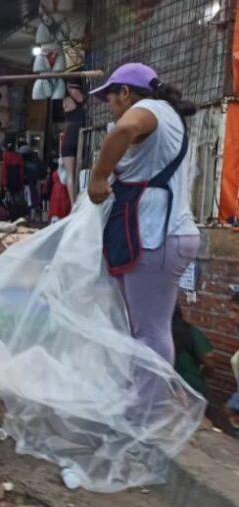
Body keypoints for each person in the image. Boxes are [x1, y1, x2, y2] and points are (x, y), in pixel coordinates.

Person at [88, 63, 201, 365]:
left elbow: (125, 128)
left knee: (150, 333)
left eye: (110, 98)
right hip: (159, 234)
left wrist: (98, 177)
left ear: (125, 92)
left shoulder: (151, 108)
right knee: (140, 330)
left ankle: (150, 410)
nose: (109, 108)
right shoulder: (165, 116)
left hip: (157, 234)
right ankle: (139, 403)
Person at [171, 305, 214, 398]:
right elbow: (209, 361)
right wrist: (205, 373)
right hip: (192, 387)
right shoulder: (191, 332)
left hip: (169, 389)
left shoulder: (155, 334)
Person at [0, 136, 26, 220]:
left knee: (5, 201)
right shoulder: (18, 156)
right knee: (15, 201)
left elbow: (4, 171)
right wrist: (21, 182)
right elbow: (21, 171)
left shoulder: (4, 156)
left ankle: (7, 215)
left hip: (8, 183)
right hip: (17, 184)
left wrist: (4, 184)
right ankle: (15, 215)